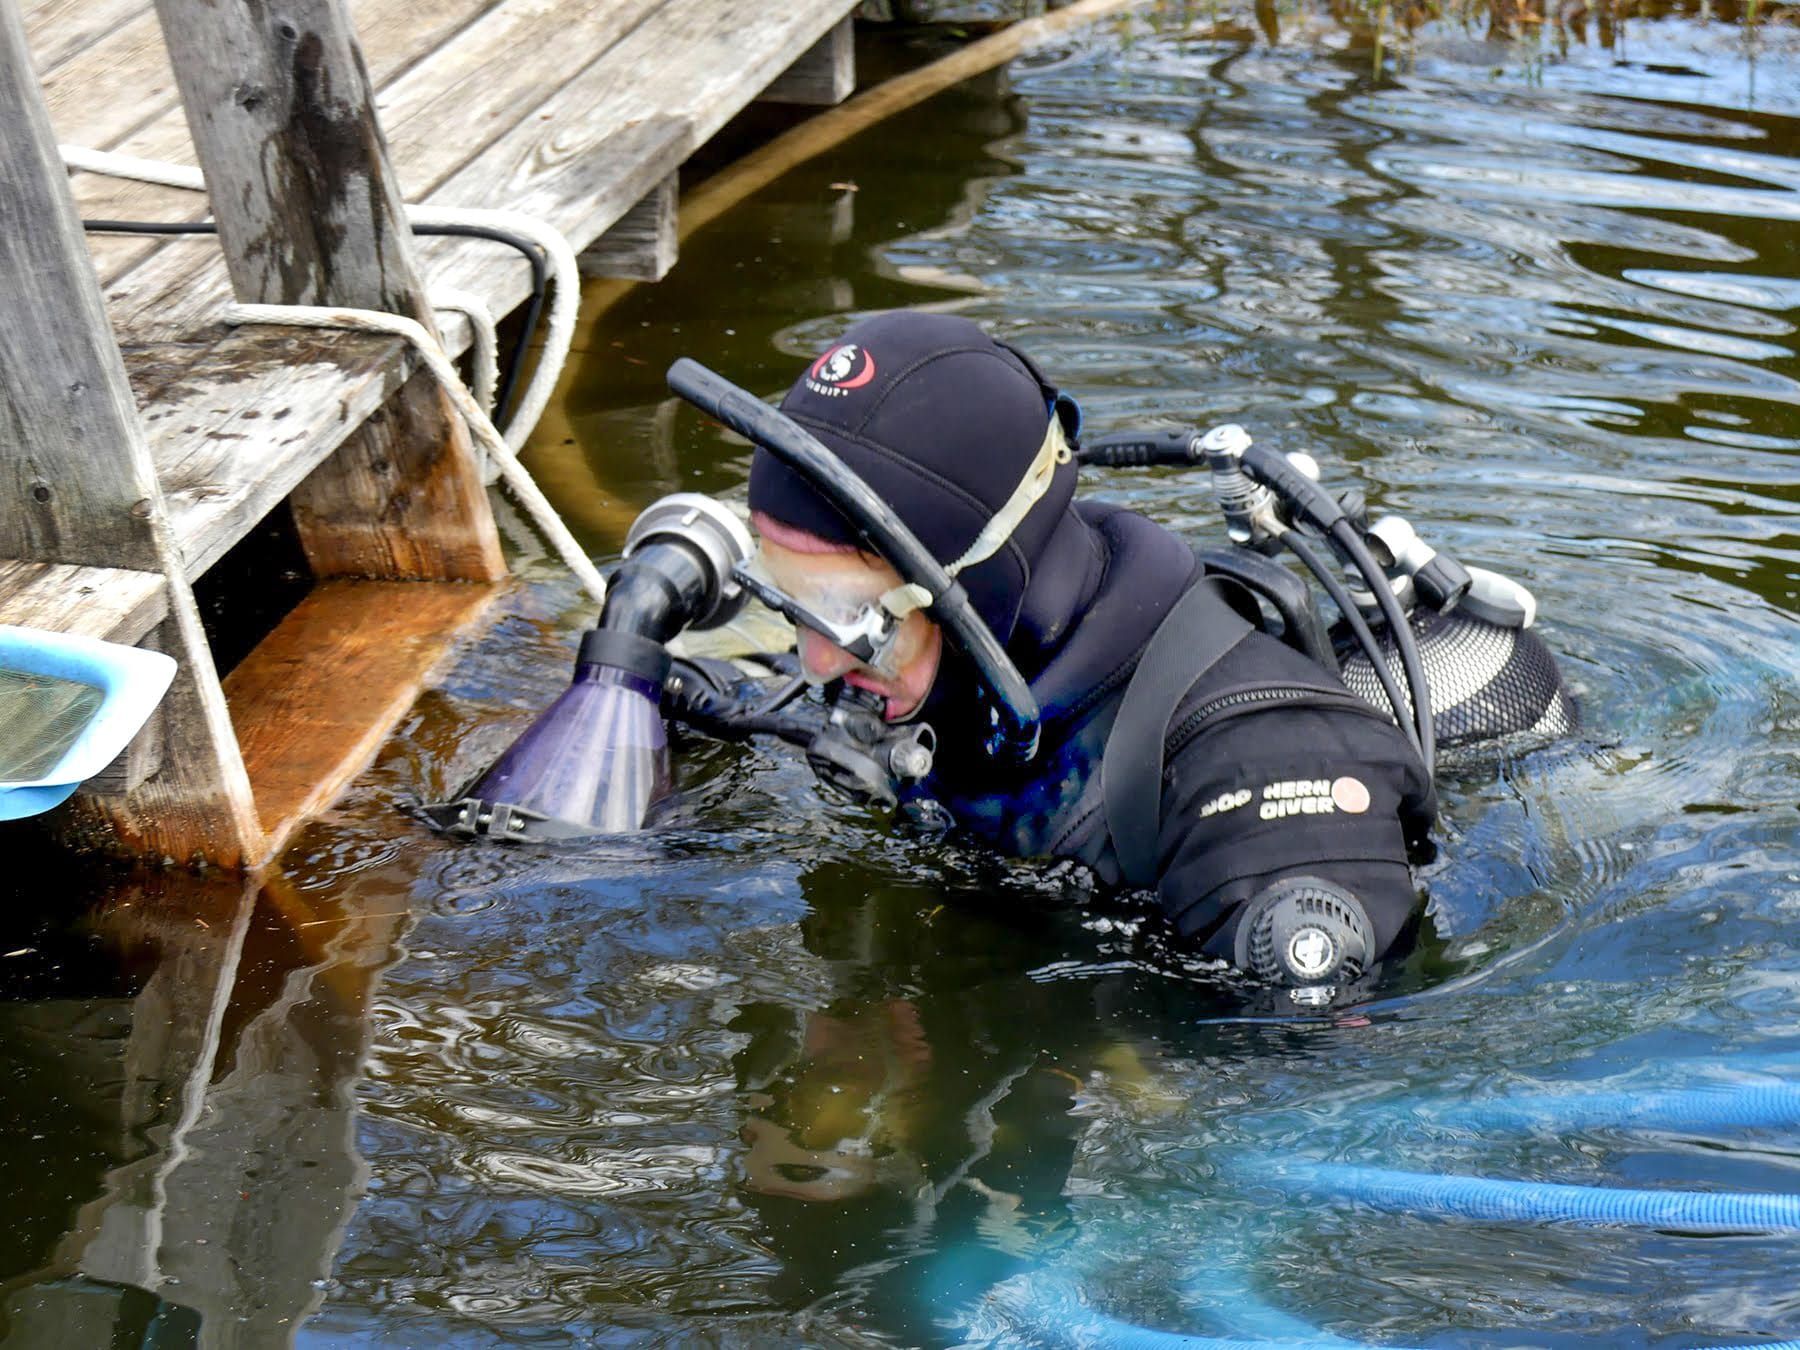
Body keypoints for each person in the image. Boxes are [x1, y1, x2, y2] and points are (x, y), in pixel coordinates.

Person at [744, 310, 1446, 995]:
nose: (818, 663)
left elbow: (1320, 1090)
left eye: (853, 617)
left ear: (976, 589)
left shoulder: (1255, 780)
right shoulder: (932, 669)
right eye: (792, 600)